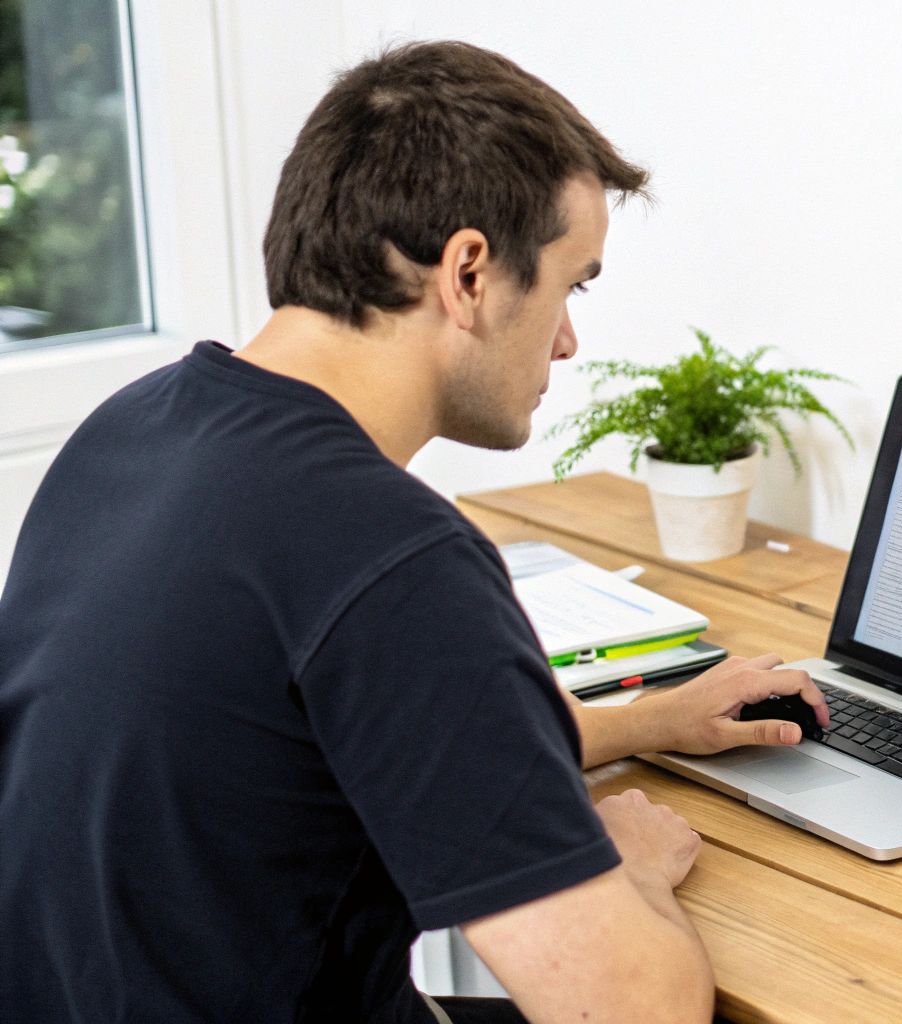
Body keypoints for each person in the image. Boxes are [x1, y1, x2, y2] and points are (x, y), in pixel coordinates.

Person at [0, 41, 827, 1024]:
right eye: (574, 284)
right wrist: (634, 868)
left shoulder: (135, 429)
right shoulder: (389, 556)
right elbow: (628, 1009)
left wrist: (655, 719)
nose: (568, 338)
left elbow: (387, 739)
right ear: (468, 271)